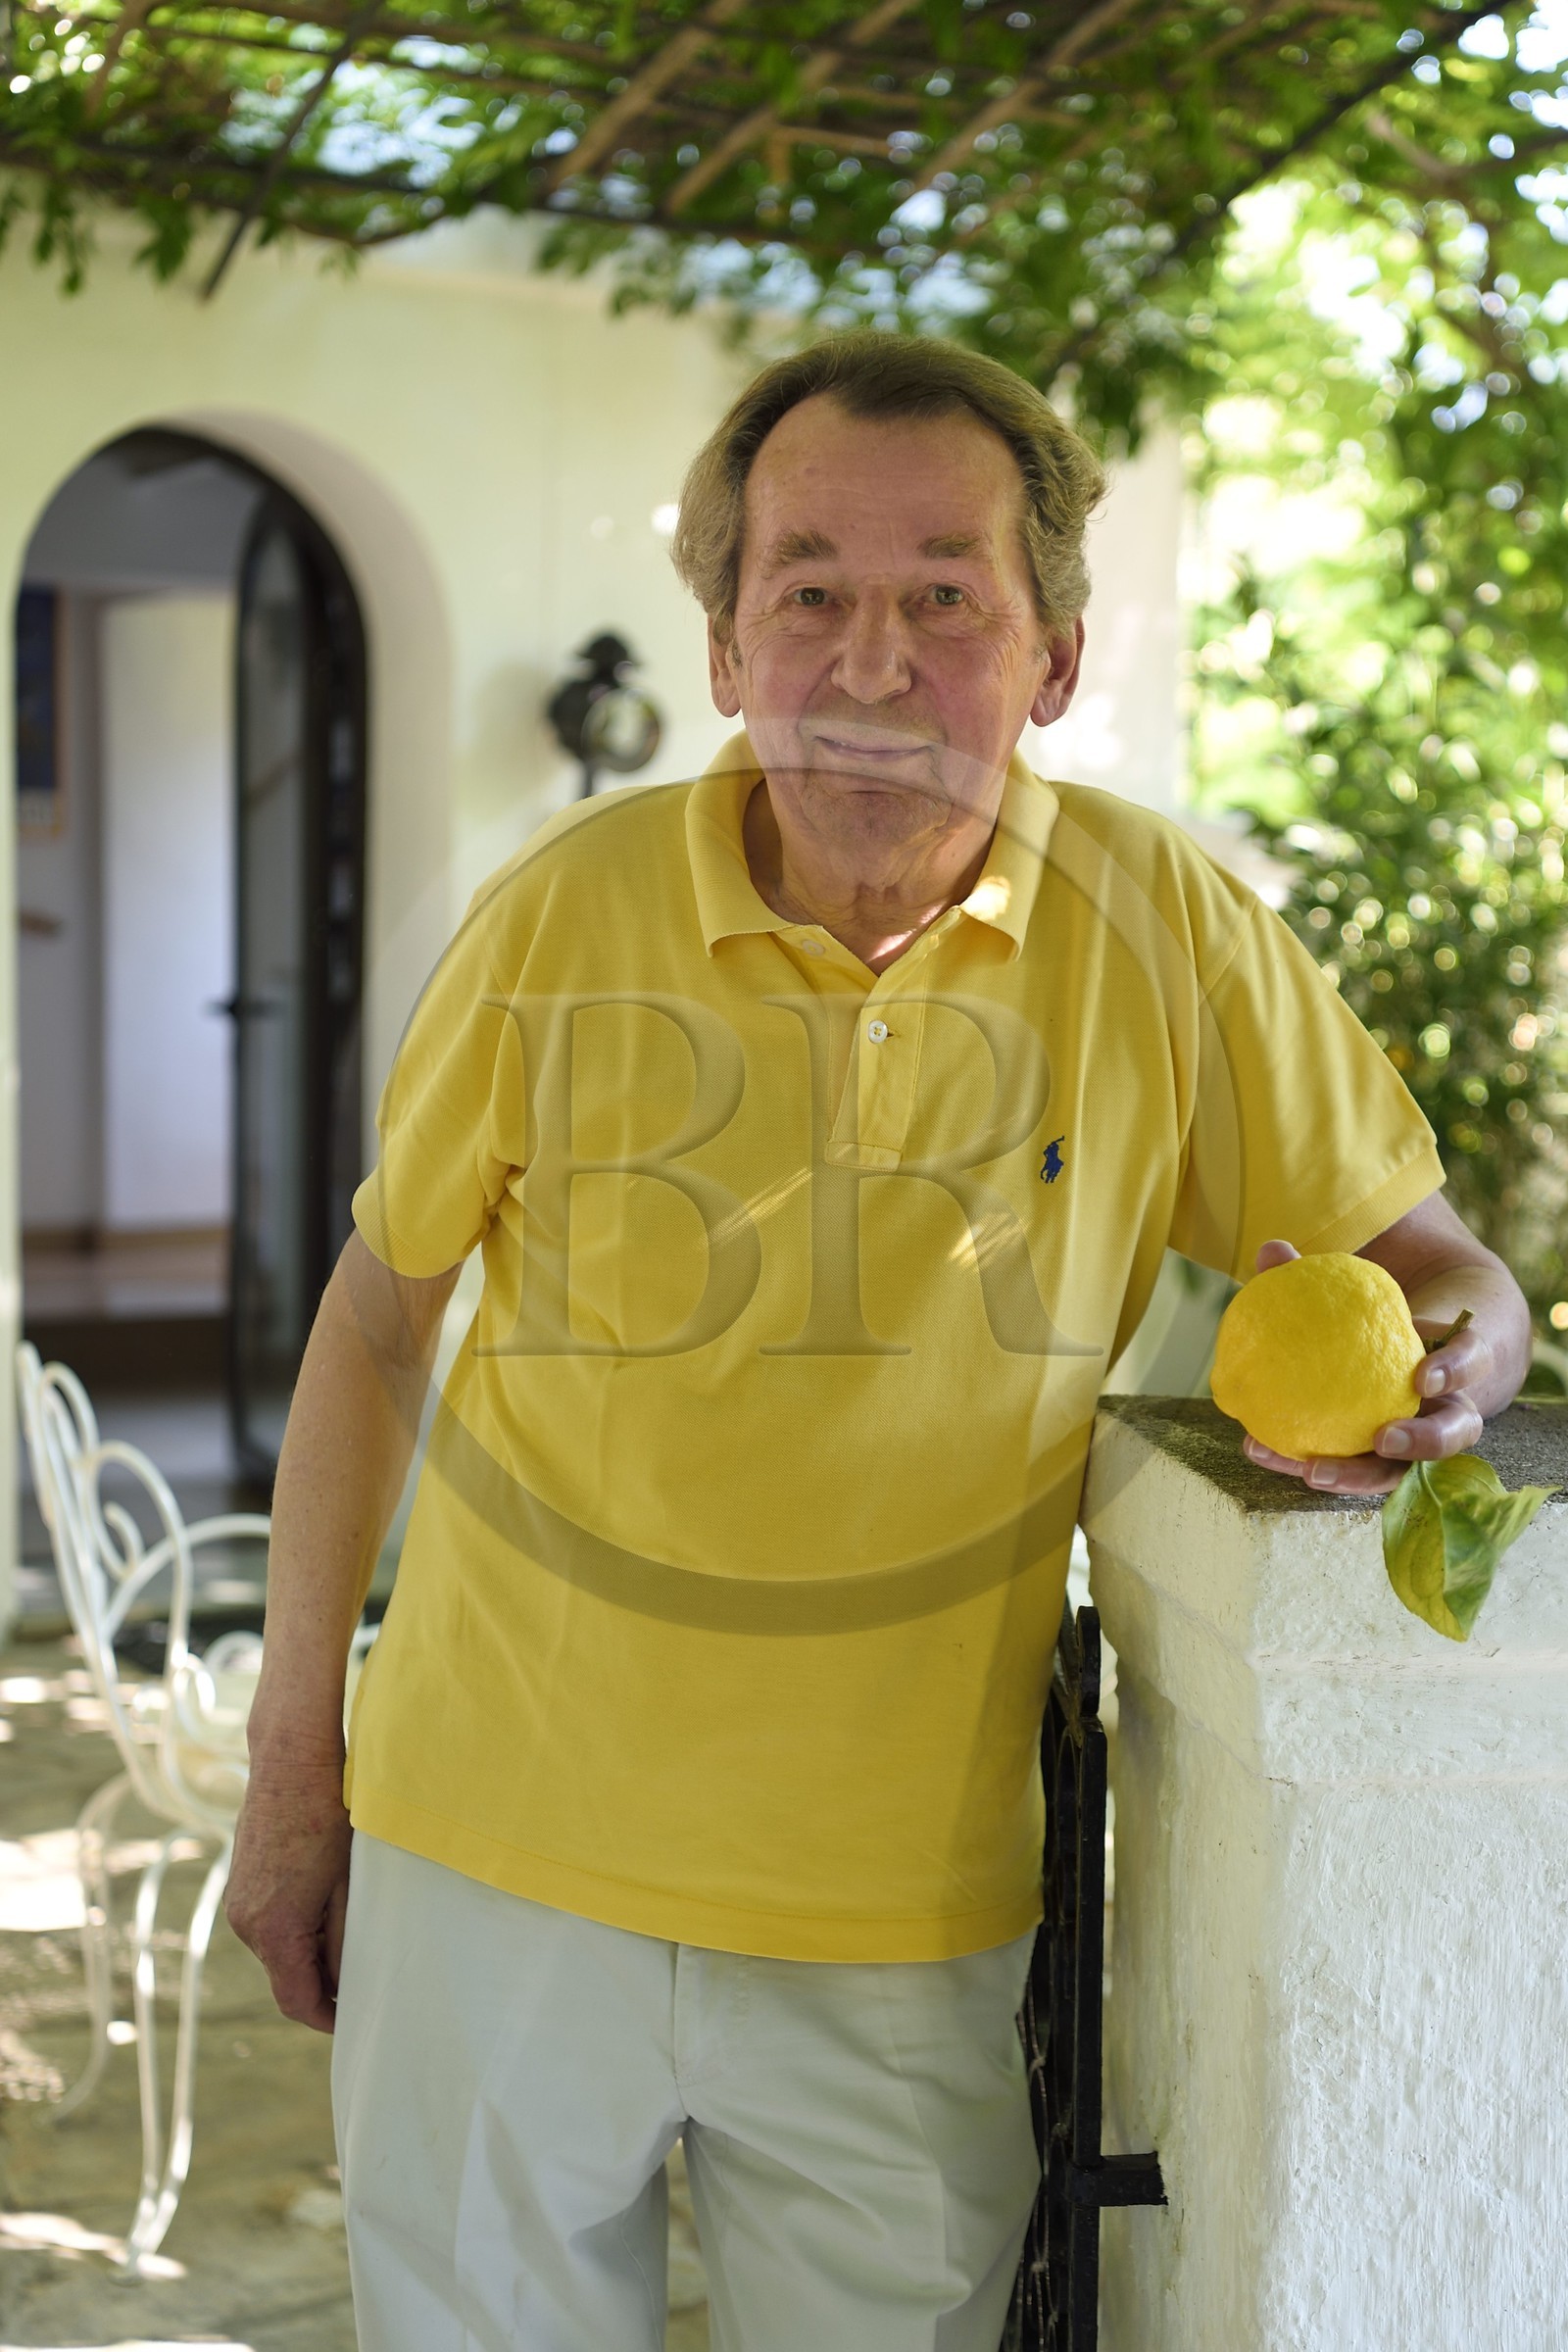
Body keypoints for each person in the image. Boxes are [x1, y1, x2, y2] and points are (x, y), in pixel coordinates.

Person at [225, 333, 1532, 2351]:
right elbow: (374, 1328)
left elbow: (1440, 1268)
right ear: (729, 651)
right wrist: (291, 1778)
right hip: (490, 1859)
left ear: (1051, 658)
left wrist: (1450, 1368)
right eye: (805, 591)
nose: (865, 656)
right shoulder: (558, 916)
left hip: (901, 1919)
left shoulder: (1166, 929)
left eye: (943, 596)